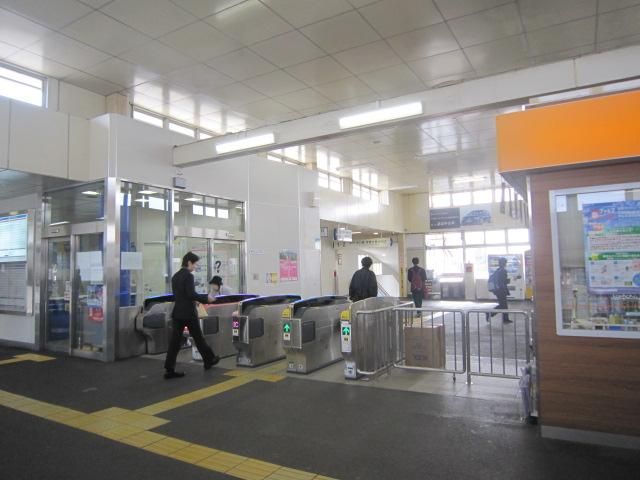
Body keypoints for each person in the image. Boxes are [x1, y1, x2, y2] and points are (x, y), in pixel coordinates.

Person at [164, 252, 219, 379]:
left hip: (178, 313)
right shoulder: (188, 276)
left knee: (175, 342)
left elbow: (181, 295)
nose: (195, 267)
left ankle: (169, 368)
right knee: (198, 338)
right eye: (194, 264)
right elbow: (191, 294)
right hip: (188, 313)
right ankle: (209, 359)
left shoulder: (175, 276)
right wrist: (206, 299)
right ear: (189, 262)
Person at [490, 257, 511, 323]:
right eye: (505, 262)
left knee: (504, 305)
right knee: (503, 305)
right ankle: (489, 313)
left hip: (497, 290)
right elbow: (503, 281)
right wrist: (508, 281)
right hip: (501, 290)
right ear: (504, 263)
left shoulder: (497, 270)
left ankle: (505, 319)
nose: (506, 264)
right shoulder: (503, 271)